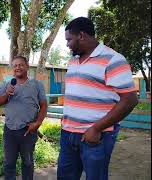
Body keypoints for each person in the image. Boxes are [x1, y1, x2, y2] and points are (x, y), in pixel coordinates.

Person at [58, 17, 138, 180]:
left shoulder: (113, 59)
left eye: (69, 40)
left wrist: (96, 128)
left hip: (95, 136)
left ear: (81, 36)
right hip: (68, 134)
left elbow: (130, 100)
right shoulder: (74, 61)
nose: (67, 45)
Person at [0, 56, 47, 180]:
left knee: (28, 163)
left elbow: (44, 105)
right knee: (9, 163)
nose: (18, 67)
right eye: (15, 65)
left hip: (28, 130)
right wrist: (7, 93)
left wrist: (38, 123)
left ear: (27, 67)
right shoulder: (7, 84)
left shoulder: (37, 85)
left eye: (21, 65)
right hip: (10, 130)